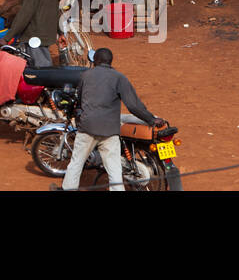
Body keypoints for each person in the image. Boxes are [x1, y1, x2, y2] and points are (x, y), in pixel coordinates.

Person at [59, 48, 162, 191]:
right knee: (114, 170)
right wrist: (151, 120)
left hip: (87, 128)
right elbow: (133, 106)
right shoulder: (119, 78)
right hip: (110, 131)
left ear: (95, 60)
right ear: (110, 61)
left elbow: (79, 100)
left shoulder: (85, 75)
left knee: (76, 162)